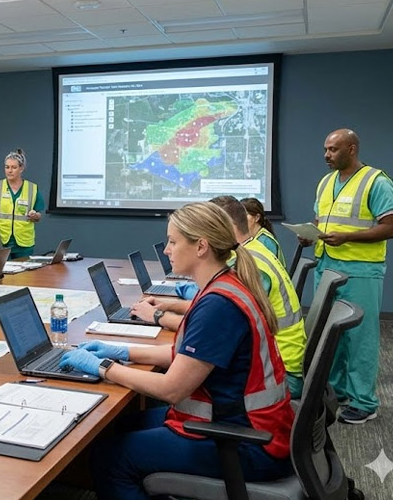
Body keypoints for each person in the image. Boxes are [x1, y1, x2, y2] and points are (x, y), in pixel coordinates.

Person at [61, 202, 294, 499]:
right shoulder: (221, 285)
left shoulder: (217, 305)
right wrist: (121, 351)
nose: (167, 250)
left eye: (173, 242)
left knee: (111, 459)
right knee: (108, 429)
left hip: (245, 443)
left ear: (201, 247)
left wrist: (104, 367)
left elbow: (172, 388)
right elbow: (186, 357)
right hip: (240, 424)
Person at [134, 196, 306, 398]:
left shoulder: (241, 274)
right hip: (270, 364)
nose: (167, 249)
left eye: (173, 241)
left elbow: (213, 323)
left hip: (276, 372)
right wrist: (169, 306)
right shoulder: (248, 254)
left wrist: (158, 316)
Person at [299, 128, 393, 424]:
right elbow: (320, 220)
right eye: (326, 149)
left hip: (360, 270)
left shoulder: (376, 182)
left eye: (333, 150)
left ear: (351, 149)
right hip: (327, 266)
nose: (327, 155)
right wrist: (309, 236)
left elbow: (389, 226)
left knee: (359, 336)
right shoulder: (326, 181)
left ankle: (365, 402)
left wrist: (348, 238)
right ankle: (338, 390)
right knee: (330, 334)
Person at [0, 149, 44, 259]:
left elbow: (38, 215)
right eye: (7, 167)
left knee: (23, 274)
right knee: (2, 273)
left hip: (24, 242)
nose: (9, 171)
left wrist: (35, 216)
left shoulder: (32, 188)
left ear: (21, 168)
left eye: (13, 167)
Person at [241, 197, 287, 267]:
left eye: (245, 214)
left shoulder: (266, 242)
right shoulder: (252, 238)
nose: (240, 219)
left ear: (257, 218)